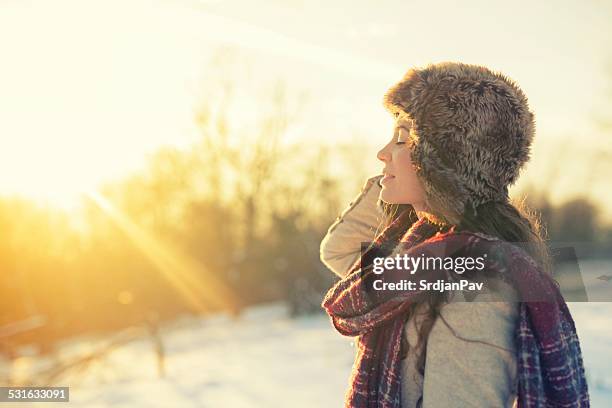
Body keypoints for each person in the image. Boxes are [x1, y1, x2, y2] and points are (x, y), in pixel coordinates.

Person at [320, 62, 589, 407]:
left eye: (402, 138)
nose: (382, 154)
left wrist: (420, 179)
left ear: (442, 161)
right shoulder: (420, 258)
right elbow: (339, 251)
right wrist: (400, 181)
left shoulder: (473, 288)